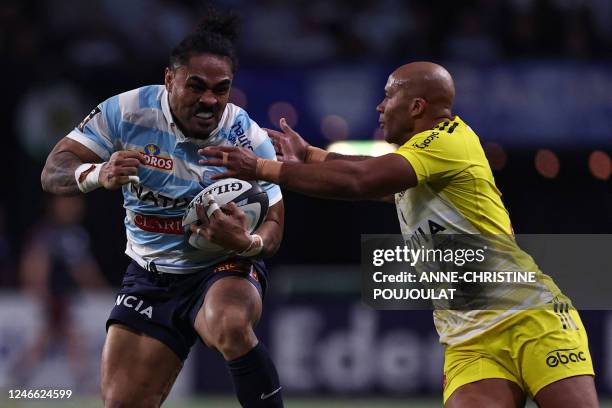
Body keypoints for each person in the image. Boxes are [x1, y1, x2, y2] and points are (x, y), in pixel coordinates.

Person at [200, 62, 598, 408]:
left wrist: (262, 169)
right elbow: (368, 176)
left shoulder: (450, 141)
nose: (379, 106)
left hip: (530, 319)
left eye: (387, 96)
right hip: (468, 340)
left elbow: (361, 180)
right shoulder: (422, 165)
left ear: (416, 106)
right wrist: (313, 156)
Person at [41, 9, 285, 408]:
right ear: (169, 79)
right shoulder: (125, 112)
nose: (210, 100)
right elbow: (54, 171)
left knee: (229, 323)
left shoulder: (246, 137)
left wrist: (246, 242)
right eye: (197, 86)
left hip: (222, 265)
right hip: (150, 274)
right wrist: (98, 173)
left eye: (221, 89)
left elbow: (275, 225)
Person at [13, 195, 107, 391]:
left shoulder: (69, 233)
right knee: (64, 337)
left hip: (63, 296)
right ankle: (84, 380)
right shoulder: (54, 233)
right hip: (55, 297)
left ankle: (20, 375)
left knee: (55, 337)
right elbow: (38, 263)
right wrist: (39, 288)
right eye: (69, 204)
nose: (74, 208)